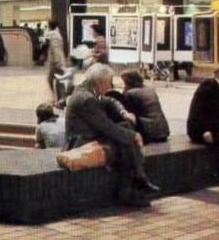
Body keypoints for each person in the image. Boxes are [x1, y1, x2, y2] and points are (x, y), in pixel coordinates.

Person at [65, 64, 159, 208]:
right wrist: (133, 136)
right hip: (81, 143)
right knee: (125, 143)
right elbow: (106, 126)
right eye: (109, 82)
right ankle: (131, 187)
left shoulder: (86, 90)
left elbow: (109, 100)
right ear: (100, 82)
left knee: (126, 130)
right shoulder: (86, 99)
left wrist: (123, 113)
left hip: (88, 136)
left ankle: (137, 181)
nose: (110, 86)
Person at [119, 70, 170, 143]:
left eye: (124, 82)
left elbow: (128, 113)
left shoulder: (130, 93)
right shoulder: (150, 89)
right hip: (163, 130)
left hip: (149, 133)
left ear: (128, 82)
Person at [45, 20, 66, 101]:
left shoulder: (53, 35)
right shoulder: (57, 34)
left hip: (56, 62)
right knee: (57, 80)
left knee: (55, 80)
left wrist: (57, 61)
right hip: (58, 61)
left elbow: (55, 48)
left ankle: (60, 98)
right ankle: (60, 98)